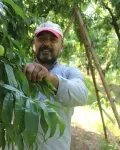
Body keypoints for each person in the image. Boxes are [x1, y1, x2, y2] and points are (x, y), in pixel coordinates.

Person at [23, 21, 88, 150]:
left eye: (53, 40)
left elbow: (82, 95)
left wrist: (50, 78)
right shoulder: (20, 70)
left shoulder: (70, 72)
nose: (46, 43)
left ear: (61, 46)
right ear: (33, 44)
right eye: (41, 39)